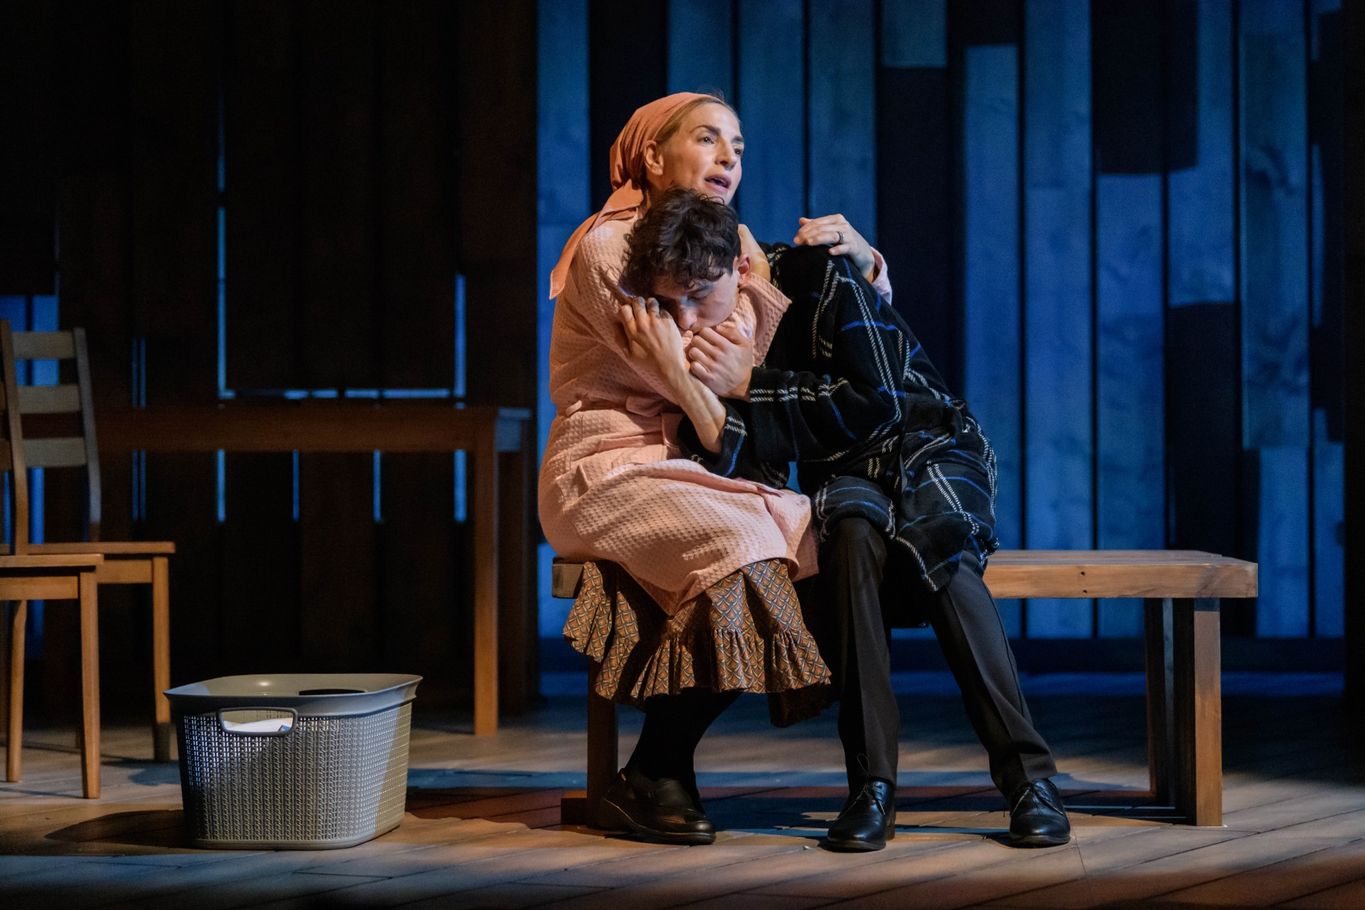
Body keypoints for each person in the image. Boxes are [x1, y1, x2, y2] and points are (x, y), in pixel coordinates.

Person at [624, 187, 1072, 851]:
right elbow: (752, 463)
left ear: (739, 269)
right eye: (671, 304)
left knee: (939, 548)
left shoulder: (815, 276)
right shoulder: (700, 341)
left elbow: (879, 403)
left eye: (697, 295)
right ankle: (870, 787)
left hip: (926, 443)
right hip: (843, 472)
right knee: (850, 541)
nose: (687, 319)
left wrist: (750, 383)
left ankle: (1030, 782)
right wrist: (685, 381)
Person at [539, 91, 889, 846]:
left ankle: (656, 768)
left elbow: (748, 358)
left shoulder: (736, 244)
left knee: (817, 539)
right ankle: (658, 768)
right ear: (651, 156)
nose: (728, 157)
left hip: (697, 465)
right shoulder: (610, 246)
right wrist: (710, 362)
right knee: (745, 543)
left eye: (737, 145)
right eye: (706, 139)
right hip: (607, 466)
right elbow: (696, 370)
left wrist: (865, 265)